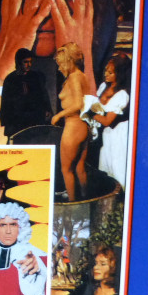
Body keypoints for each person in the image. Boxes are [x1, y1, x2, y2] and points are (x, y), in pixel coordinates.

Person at [51, 43, 89, 202]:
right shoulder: (82, 76)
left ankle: (73, 204)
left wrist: (59, 115)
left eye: (61, 64)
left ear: (69, 61)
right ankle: (86, 199)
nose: (59, 68)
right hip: (83, 126)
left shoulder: (74, 77)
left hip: (73, 126)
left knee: (66, 170)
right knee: (79, 167)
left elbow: (78, 104)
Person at [88, 53, 132, 188]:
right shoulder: (103, 86)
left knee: (117, 164)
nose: (106, 74)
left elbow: (107, 121)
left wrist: (89, 113)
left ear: (119, 74)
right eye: (106, 70)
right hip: (105, 133)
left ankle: (121, 193)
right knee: (105, 164)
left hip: (117, 133)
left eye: (110, 72)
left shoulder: (122, 95)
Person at [0, 48, 52, 139]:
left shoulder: (36, 77)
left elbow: (43, 95)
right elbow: (5, 103)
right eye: (25, 62)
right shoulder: (10, 79)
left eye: (30, 62)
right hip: (17, 122)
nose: (29, 65)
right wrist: (8, 123)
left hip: (34, 120)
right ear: (19, 62)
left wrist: (47, 110)